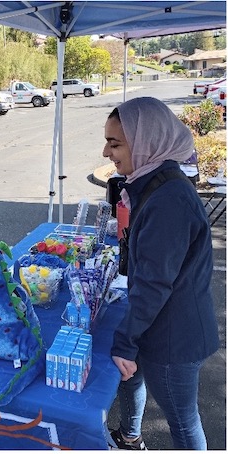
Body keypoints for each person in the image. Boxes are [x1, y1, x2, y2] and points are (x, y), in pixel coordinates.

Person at [103, 97, 219, 450]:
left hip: (173, 338)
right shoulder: (155, 180)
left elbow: (154, 284)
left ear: (147, 141)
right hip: (165, 325)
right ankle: (130, 435)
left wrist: (125, 341)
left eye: (115, 143)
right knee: (131, 380)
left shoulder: (168, 199)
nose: (107, 153)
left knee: (183, 423)